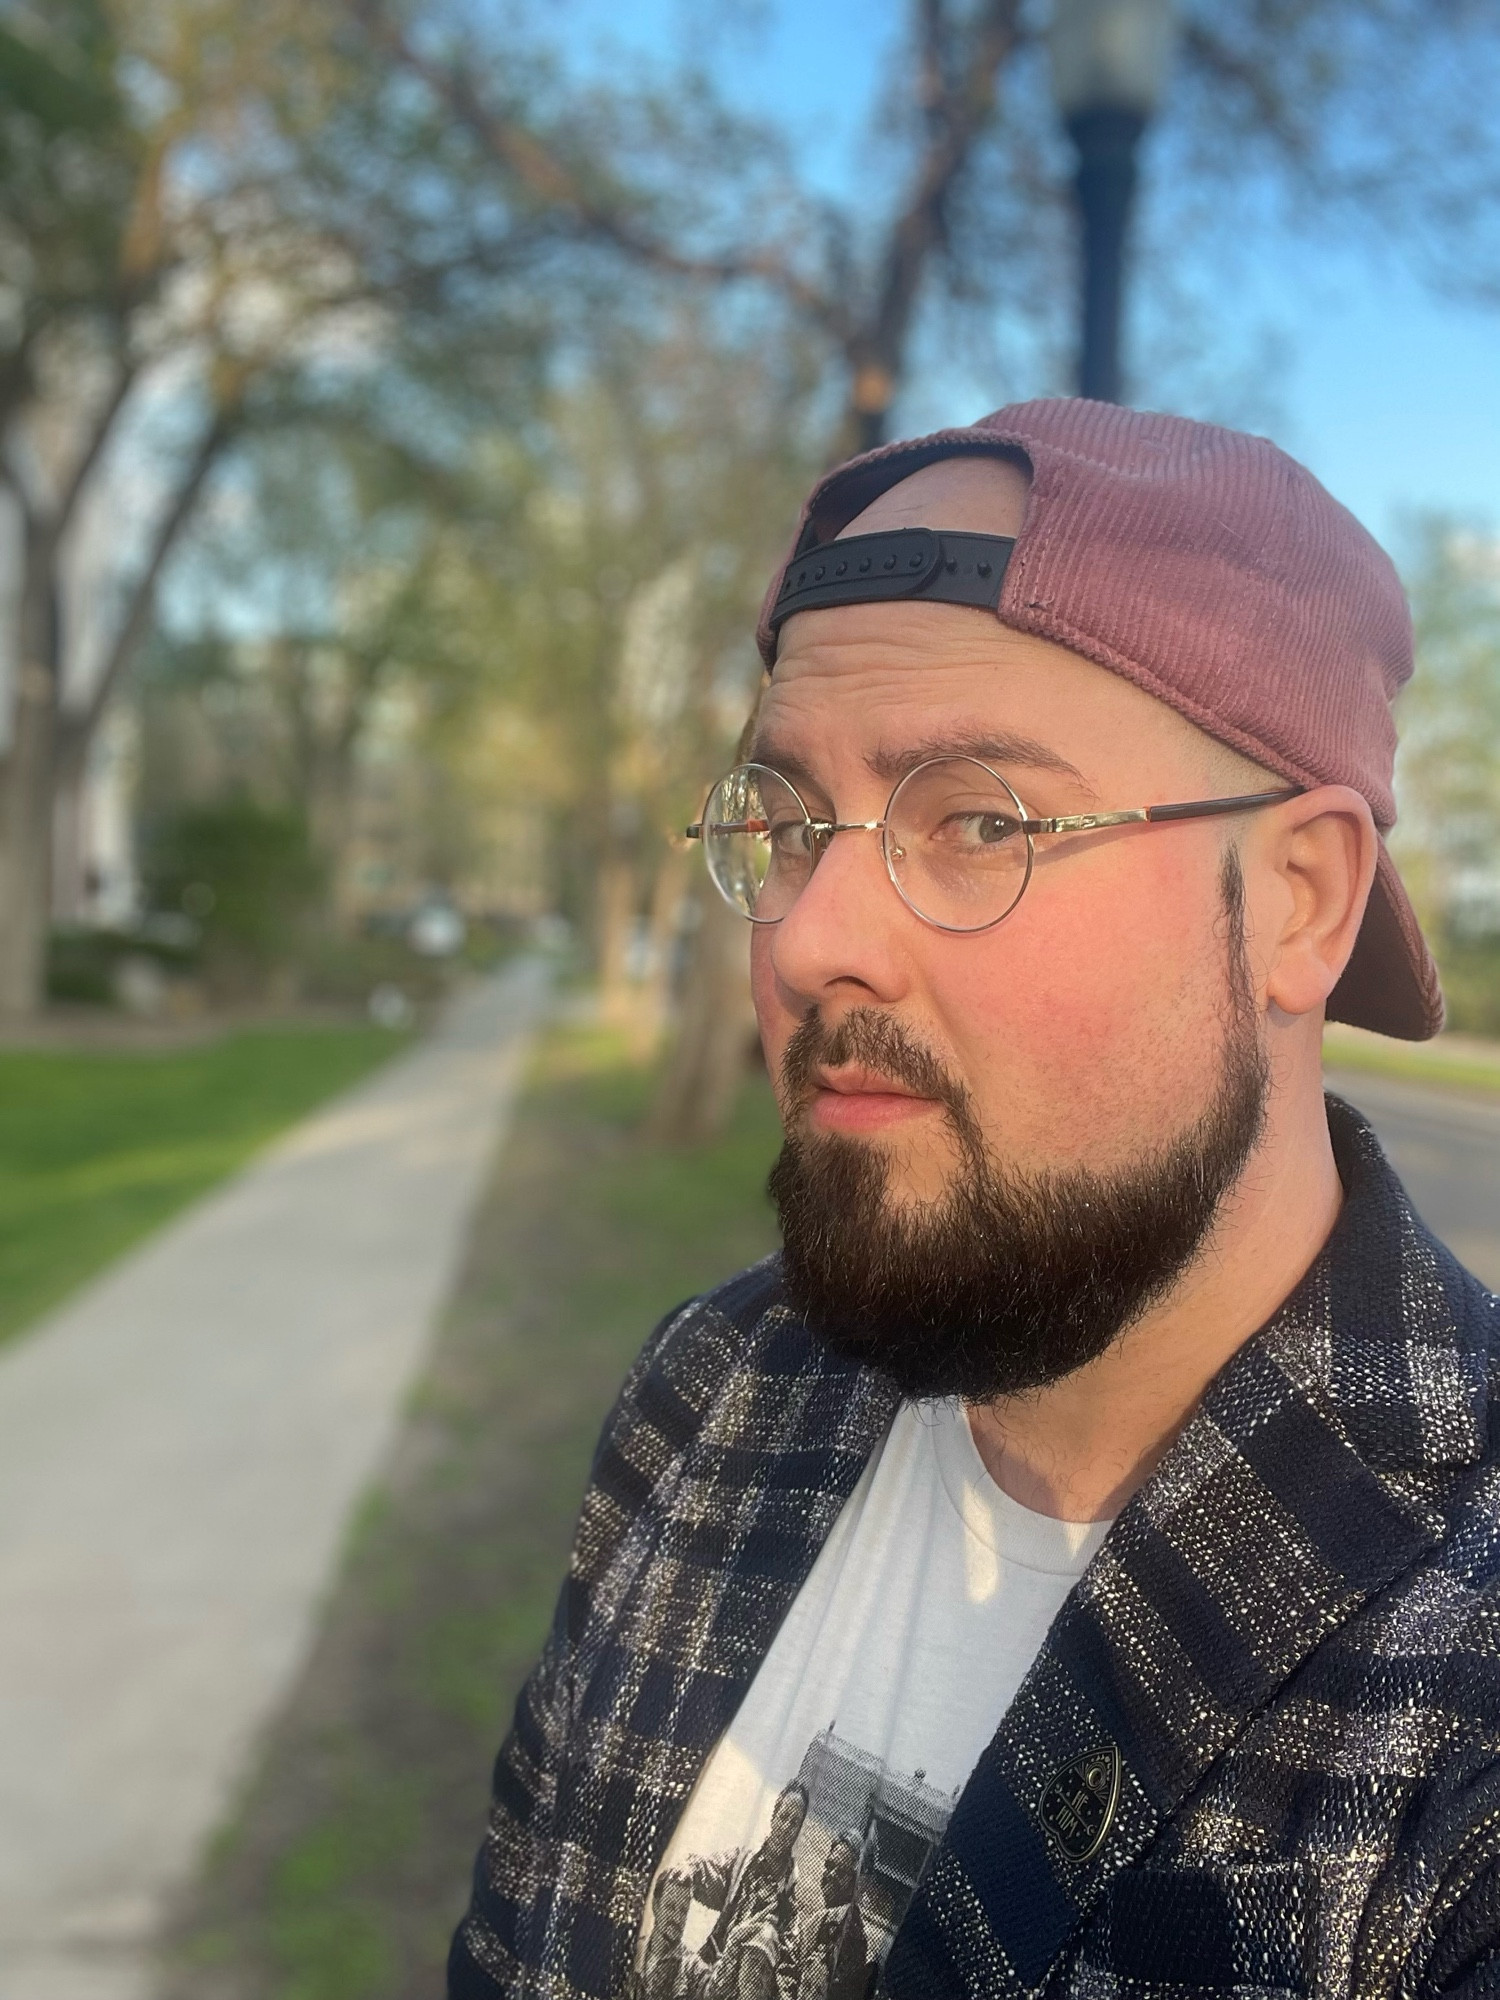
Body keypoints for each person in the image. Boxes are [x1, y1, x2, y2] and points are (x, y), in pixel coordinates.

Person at [448, 400, 1500, 2000]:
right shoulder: (716, 1390)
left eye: (982, 823)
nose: (807, 942)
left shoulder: (1461, 1672)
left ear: (1299, 901)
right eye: (789, 824)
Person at [788, 1832, 871, 2000]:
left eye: (841, 1873)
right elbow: (789, 1970)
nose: (831, 1875)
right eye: (829, 1865)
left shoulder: (851, 1933)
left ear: (855, 1883)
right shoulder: (822, 1920)